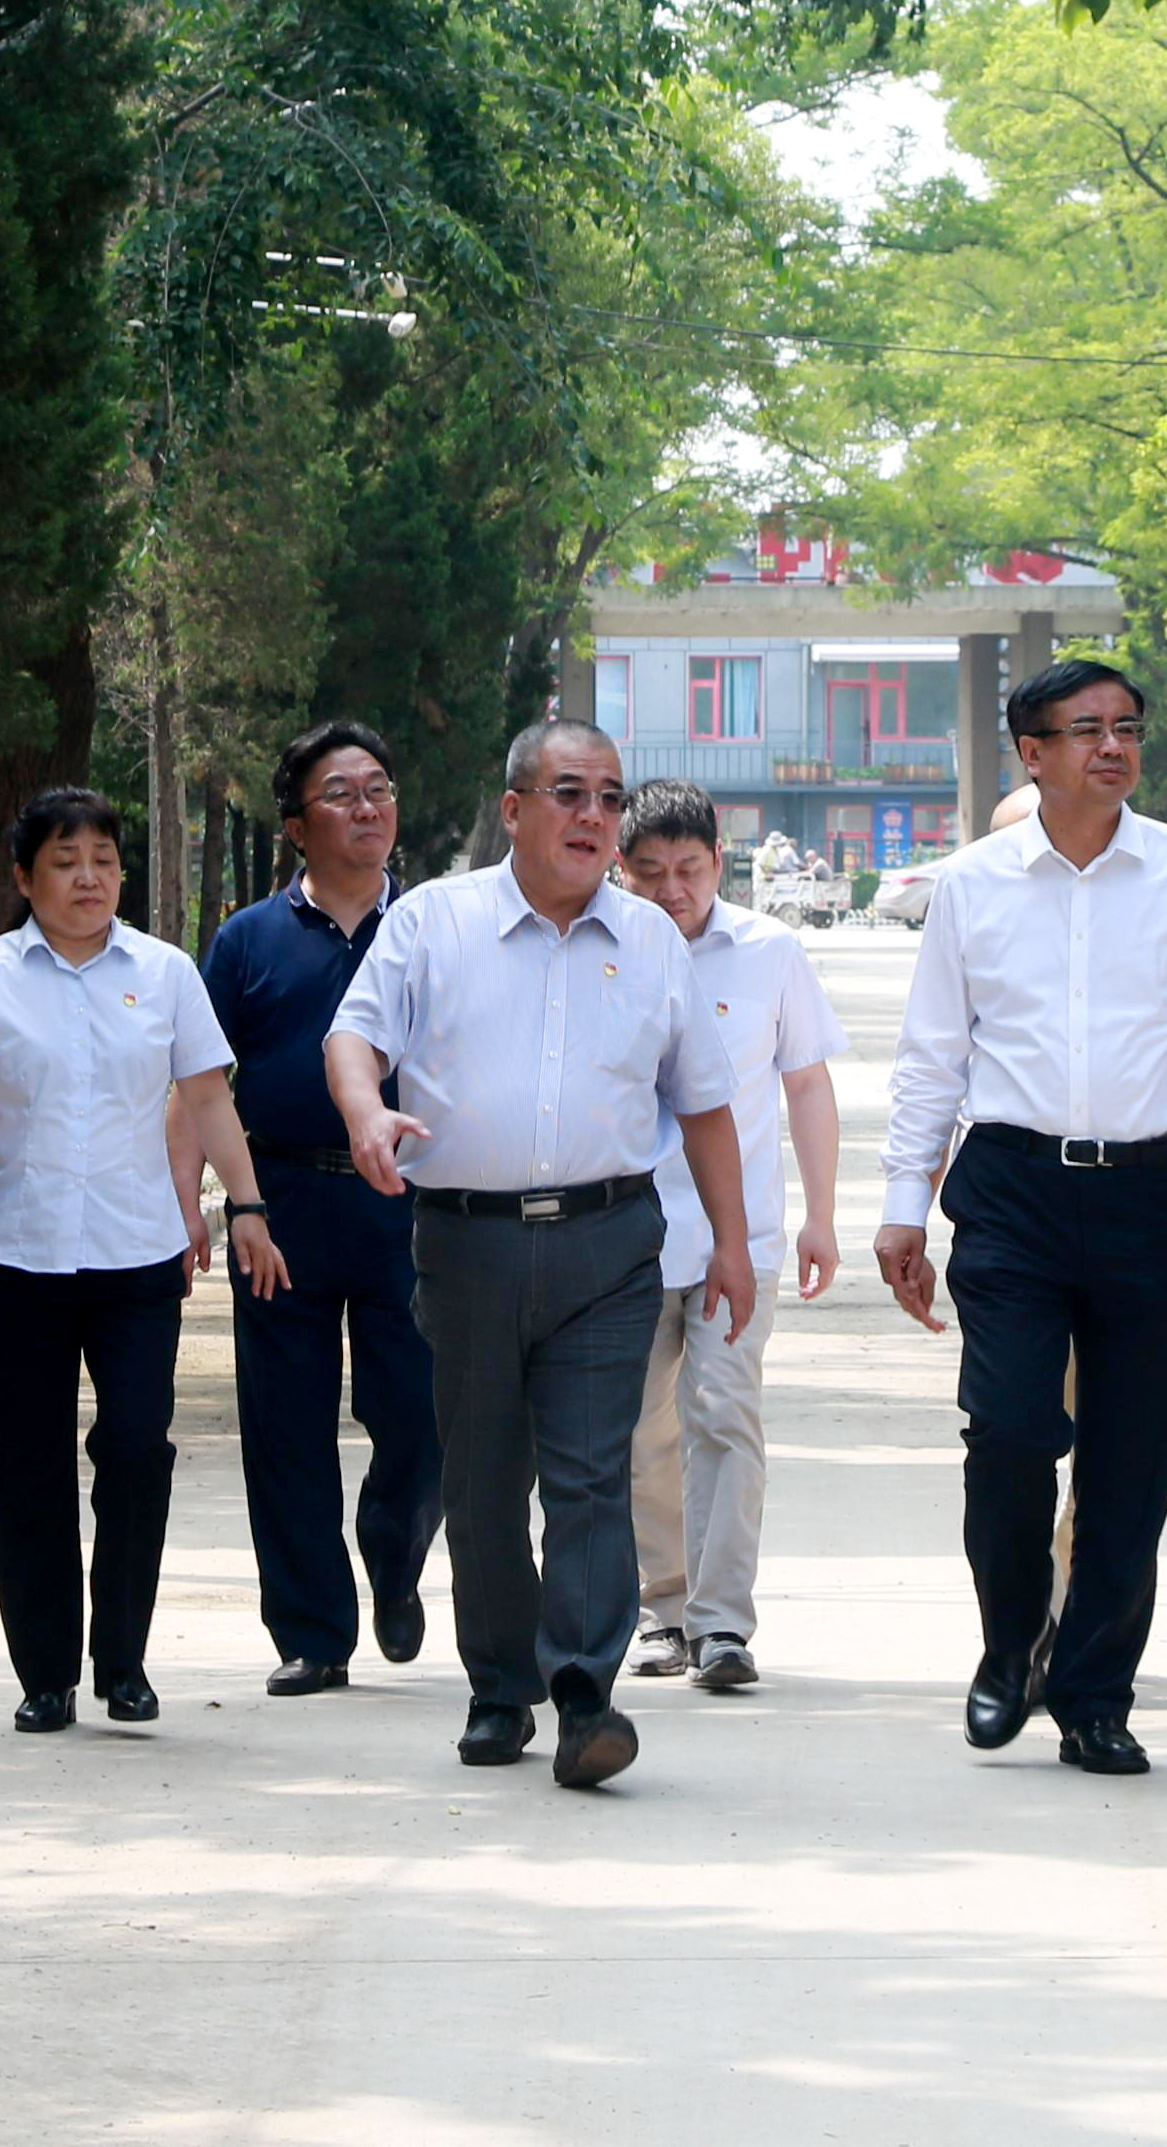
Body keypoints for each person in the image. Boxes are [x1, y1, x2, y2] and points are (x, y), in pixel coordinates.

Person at [875, 658, 1167, 1777]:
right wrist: (903, 1205)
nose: (1113, 746)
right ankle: (1011, 1642)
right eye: (1086, 728)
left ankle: (1095, 1693)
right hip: (1012, 1189)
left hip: (1149, 1195)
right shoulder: (972, 883)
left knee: (1130, 1459)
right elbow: (932, 1054)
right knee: (1009, 1431)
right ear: (1031, 752)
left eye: (1127, 728)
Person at [326, 720, 754, 1790]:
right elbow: (353, 1035)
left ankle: (584, 1694)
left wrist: (732, 1243)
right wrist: (366, 1112)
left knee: (590, 1474)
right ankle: (498, 1686)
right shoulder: (434, 921)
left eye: (609, 796)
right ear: (514, 809)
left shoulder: (650, 940)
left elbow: (703, 1103)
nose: (594, 816)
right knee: (481, 1478)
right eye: (570, 793)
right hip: (464, 1240)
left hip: (609, 1244)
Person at [0, 788, 290, 1735]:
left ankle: (122, 1660)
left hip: (136, 1254)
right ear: (24, 877)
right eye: (64, 860)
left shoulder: (165, 973)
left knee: (135, 1446)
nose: (87, 877)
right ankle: (45, 1672)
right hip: (20, 1254)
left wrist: (246, 1203)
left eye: (102, 859)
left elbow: (208, 1099)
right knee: (26, 1465)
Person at [170, 722, 443, 1701]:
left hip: (411, 1203)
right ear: (295, 824)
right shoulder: (249, 939)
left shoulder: (434, 928)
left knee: (421, 1408)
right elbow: (197, 1080)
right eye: (341, 792)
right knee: (283, 1423)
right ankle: (312, 1631)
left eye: (379, 788)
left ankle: (394, 1547)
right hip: (280, 1201)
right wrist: (190, 1203)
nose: (367, 806)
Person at [617, 779, 849, 1692]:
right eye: (651, 872)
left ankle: (720, 1624)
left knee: (724, 1415)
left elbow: (807, 1084)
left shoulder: (769, 951)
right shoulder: (598, 949)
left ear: (721, 860)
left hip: (736, 1239)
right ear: (621, 870)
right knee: (638, 1429)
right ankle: (662, 1606)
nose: (673, 889)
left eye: (690, 868)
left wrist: (821, 1215)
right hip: (623, 1239)